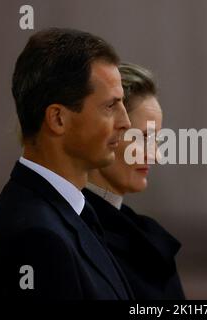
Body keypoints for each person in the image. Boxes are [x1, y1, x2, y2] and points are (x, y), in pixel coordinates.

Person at [0, 28, 133, 299]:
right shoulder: (35, 238)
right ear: (58, 119)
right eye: (110, 106)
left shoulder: (67, 211)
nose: (125, 122)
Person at [83, 62, 185, 299]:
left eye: (157, 140)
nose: (156, 156)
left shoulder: (139, 238)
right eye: (143, 138)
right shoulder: (71, 234)